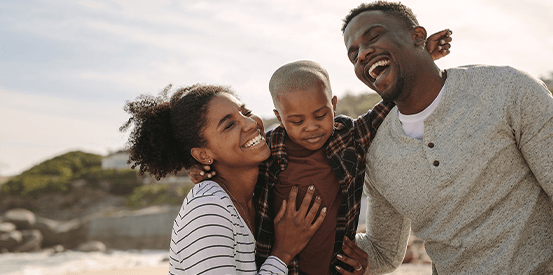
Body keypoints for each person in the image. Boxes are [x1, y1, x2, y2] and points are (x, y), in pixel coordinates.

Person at [340, 1, 553, 274]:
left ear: (418, 36)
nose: (361, 55)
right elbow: (382, 251)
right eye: (353, 54)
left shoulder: (507, 90)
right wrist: (303, 243)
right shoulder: (377, 154)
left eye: (373, 37)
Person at [255, 32, 450, 275]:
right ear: (279, 118)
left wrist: (420, 61)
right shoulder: (266, 150)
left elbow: (387, 106)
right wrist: (201, 168)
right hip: (279, 268)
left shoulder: (346, 136)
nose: (311, 127)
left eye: (320, 115)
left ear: (333, 105)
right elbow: (227, 163)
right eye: (297, 121)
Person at [120, 84, 327, 275]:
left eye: (246, 112)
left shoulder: (256, 191)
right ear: (203, 155)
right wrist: (283, 252)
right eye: (229, 125)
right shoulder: (207, 209)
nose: (250, 123)